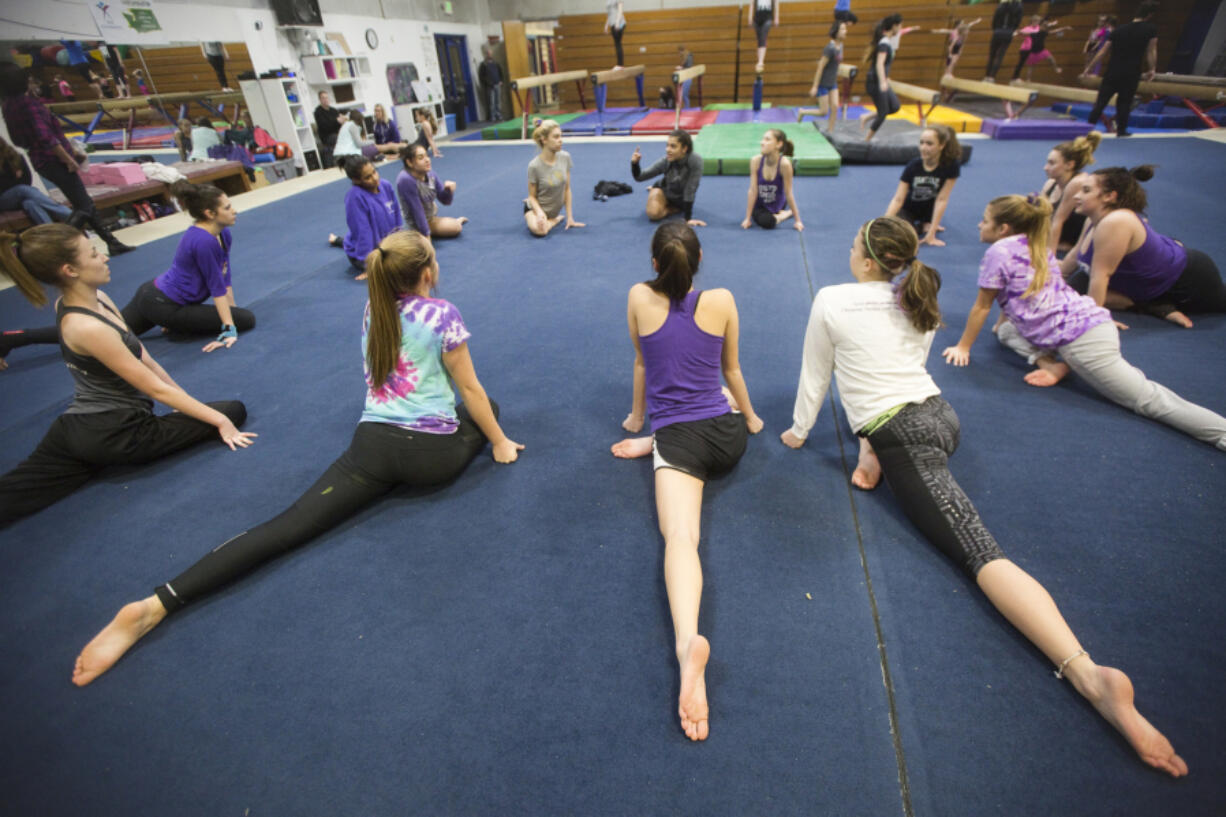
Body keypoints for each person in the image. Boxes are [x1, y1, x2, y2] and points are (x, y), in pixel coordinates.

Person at [779, 215, 1187, 778]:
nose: (849, 251)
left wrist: (799, 432)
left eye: (853, 245)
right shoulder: (915, 296)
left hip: (910, 439)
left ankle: (1089, 675)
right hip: (940, 415)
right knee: (879, 413)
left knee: (980, 552)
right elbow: (904, 367)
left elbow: (816, 373)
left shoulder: (832, 299)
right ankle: (872, 454)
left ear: (868, 262)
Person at [71, 230, 523, 686]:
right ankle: (155, 606)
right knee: (489, 409)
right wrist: (500, 442)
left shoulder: (374, 306)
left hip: (371, 447)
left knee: (286, 526)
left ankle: (158, 603)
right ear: (429, 272)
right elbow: (470, 389)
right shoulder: (442, 313)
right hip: (431, 457)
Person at [611, 221, 763, 741]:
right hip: (727, 435)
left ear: (654, 264)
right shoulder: (721, 300)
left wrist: (639, 423)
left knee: (681, 538)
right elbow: (733, 371)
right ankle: (660, 444)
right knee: (711, 409)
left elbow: (642, 363)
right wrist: (753, 419)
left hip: (677, 440)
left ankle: (686, 646)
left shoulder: (637, 295)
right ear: (700, 261)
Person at [0, 224, 254, 525]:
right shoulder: (88, 328)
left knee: (13, 495)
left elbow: (143, 357)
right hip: (122, 434)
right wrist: (220, 421)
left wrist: (183, 400)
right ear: (70, 269)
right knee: (232, 410)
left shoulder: (95, 301)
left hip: (76, 427)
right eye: (94, 254)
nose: (104, 257)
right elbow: (154, 390)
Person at [943, 194, 1226, 450]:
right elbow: (1017, 294)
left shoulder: (998, 251)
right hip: (1088, 320)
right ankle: (1051, 363)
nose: (980, 225)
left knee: (1148, 400)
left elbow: (982, 306)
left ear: (1003, 228)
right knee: (1004, 330)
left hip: (1081, 341)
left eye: (985, 221)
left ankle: (1221, 433)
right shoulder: (1036, 242)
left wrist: (963, 346)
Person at [1060, 166, 1226, 327]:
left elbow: (1101, 275)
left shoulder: (1116, 221)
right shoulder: (1092, 218)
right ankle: (1152, 305)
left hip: (1187, 280)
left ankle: (1155, 305)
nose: (1076, 195)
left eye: (1086, 191)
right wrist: (1053, 283)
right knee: (1072, 290)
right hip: (1149, 282)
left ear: (1109, 196)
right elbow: (1074, 256)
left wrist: (1094, 320)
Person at [0, 65, 132, 255]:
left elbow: (18, 140)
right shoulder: (28, 104)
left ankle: (112, 242)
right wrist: (68, 158)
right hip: (54, 160)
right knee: (84, 206)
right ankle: (56, 245)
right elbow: (46, 137)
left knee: (84, 203)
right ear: (20, 83)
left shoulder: (8, 106)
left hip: (41, 161)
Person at [118, 180, 255, 351]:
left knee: (114, 335)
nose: (234, 211)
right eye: (227, 208)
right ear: (210, 213)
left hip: (155, 295)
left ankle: (172, 321)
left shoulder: (223, 233)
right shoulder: (202, 241)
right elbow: (216, 286)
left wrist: (233, 312)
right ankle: (172, 322)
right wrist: (229, 328)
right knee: (247, 319)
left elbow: (225, 276)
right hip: (163, 304)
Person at [1083, 1, 1158, 137]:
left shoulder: (1119, 30)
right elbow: (1150, 51)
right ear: (1150, 14)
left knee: (1101, 103)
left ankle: (1086, 129)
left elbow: (1102, 52)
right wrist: (1152, 69)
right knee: (1124, 103)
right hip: (1131, 73)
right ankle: (1121, 130)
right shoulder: (1150, 29)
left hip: (1112, 72)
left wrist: (1089, 68)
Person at [884, 124, 961, 247]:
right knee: (902, 235)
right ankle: (921, 226)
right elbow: (898, 199)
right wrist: (884, 222)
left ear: (941, 145)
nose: (923, 148)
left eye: (929, 144)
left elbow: (942, 199)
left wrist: (931, 234)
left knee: (909, 237)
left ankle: (926, 224)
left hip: (929, 211)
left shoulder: (951, 166)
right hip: (909, 209)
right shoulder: (913, 166)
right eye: (921, 143)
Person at [328, 156, 402, 280]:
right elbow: (362, 232)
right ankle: (344, 243)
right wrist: (367, 266)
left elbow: (396, 214)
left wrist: (400, 240)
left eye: (374, 171)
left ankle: (338, 240)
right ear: (356, 180)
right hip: (368, 250)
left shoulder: (386, 185)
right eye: (368, 177)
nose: (375, 178)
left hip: (385, 242)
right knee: (389, 270)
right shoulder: (355, 198)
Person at [1040, 132, 1101, 253]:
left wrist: (1049, 259)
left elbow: (1058, 220)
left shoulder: (1078, 183)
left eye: (1052, 163)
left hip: (1077, 247)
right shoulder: (1051, 184)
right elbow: (1037, 215)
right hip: (1059, 243)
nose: (1045, 167)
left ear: (1069, 165)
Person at [631, 130, 705, 226]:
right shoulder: (666, 161)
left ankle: (672, 207)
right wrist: (635, 164)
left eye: (673, 146)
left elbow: (690, 189)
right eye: (667, 145)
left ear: (684, 148)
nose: (667, 150)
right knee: (653, 214)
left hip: (681, 198)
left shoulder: (695, 161)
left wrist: (687, 219)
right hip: (665, 191)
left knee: (678, 204)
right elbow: (640, 177)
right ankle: (655, 190)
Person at [524, 119, 583, 237]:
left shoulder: (565, 157)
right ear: (544, 139)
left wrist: (570, 218)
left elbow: (567, 189)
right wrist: (540, 213)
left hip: (552, 211)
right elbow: (532, 196)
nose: (560, 140)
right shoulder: (534, 166)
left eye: (561, 136)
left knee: (543, 227)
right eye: (556, 137)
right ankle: (555, 220)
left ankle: (552, 220)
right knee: (541, 231)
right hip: (535, 210)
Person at [0, 136, 75, 226]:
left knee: (30, 204)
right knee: (22, 189)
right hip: (4, 200)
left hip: (22, 195)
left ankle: (52, 233)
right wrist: (15, 180)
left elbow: (27, 180)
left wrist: (11, 181)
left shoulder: (16, 156)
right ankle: (69, 215)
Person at [397, 143, 467, 239]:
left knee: (452, 224)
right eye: (421, 158)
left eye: (427, 155)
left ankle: (437, 224)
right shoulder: (405, 180)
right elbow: (417, 211)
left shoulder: (430, 173)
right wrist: (427, 238)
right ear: (409, 162)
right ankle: (420, 231)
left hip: (429, 213)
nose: (427, 160)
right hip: (415, 222)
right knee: (455, 227)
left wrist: (448, 190)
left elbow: (445, 201)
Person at [740, 129, 803, 231]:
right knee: (766, 222)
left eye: (767, 139)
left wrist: (798, 220)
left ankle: (784, 214)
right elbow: (752, 190)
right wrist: (747, 218)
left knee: (768, 219)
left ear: (778, 144)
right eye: (762, 139)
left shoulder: (784, 164)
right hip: (761, 205)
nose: (762, 142)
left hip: (779, 203)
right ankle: (782, 215)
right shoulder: (755, 161)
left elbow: (788, 192)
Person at [862, 16, 902, 142]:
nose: (900, 28)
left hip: (880, 80)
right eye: (900, 25)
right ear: (894, 26)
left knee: (895, 106)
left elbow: (883, 65)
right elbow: (879, 63)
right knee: (883, 112)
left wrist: (885, 78)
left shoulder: (886, 41)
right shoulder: (884, 43)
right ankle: (867, 140)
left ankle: (867, 116)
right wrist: (882, 81)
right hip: (875, 82)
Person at [808, 21, 847, 132]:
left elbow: (836, 63)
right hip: (823, 84)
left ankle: (830, 131)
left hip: (832, 82)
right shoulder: (829, 48)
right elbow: (820, 67)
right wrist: (815, 86)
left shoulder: (841, 46)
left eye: (845, 29)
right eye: (843, 29)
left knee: (835, 107)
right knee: (823, 112)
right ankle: (803, 111)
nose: (846, 31)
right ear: (836, 32)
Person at [1010, 15, 1072, 83]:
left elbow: (1054, 31)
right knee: (1031, 67)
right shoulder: (1033, 33)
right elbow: (1024, 32)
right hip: (1033, 52)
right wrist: (1017, 32)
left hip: (1042, 51)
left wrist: (1064, 28)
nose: (1042, 27)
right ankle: (1028, 79)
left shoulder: (1043, 32)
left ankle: (1056, 68)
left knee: (1051, 58)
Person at [983, 0, 1024, 81]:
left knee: (992, 55)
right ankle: (992, 77)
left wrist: (995, 29)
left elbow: (995, 19)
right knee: (1000, 56)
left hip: (998, 31)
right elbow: (1018, 21)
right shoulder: (1018, 6)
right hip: (1008, 32)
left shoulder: (1001, 5)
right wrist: (1012, 29)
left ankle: (987, 76)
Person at [314, 91, 344, 167]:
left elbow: (338, 124)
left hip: (336, 133)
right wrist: (336, 121)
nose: (325, 100)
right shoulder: (318, 112)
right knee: (336, 138)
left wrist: (341, 122)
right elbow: (324, 126)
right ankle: (339, 161)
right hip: (327, 136)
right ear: (320, 100)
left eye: (326, 98)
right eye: (323, 98)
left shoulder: (333, 110)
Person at [749, 0, 780, 73]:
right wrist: (750, 18)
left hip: (767, 17)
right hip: (757, 18)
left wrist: (776, 17)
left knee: (763, 37)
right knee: (759, 40)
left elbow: (776, 2)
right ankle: (759, 61)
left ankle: (761, 61)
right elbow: (752, 4)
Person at [477, 48, 504, 122]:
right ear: (486, 55)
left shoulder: (496, 63)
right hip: (489, 86)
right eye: (488, 54)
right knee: (491, 102)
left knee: (498, 101)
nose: (489, 55)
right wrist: (488, 83)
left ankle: (498, 114)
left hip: (497, 84)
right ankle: (492, 116)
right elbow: (481, 76)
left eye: (490, 53)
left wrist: (501, 80)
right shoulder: (484, 64)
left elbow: (500, 72)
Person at [605, 1, 627, 67]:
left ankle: (620, 64)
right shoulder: (608, 1)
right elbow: (609, 14)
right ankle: (620, 64)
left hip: (619, 23)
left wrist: (617, 22)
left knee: (618, 43)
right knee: (617, 44)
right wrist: (606, 25)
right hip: (612, 24)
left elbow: (620, 10)